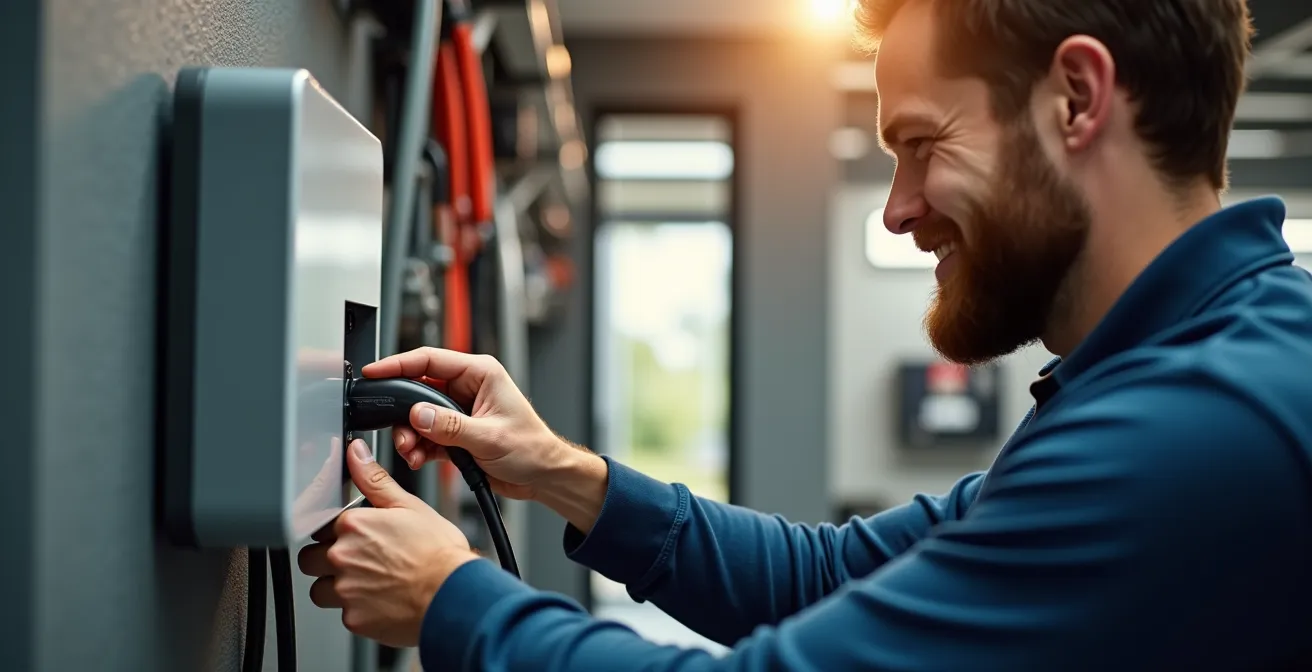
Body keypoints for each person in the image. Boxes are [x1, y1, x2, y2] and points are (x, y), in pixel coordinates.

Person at [297, 0, 1312, 668]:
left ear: (1077, 99)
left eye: (923, 144)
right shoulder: (1166, 377)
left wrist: (451, 599)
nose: (897, 209)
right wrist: (559, 471)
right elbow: (824, 581)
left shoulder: (1198, 427)